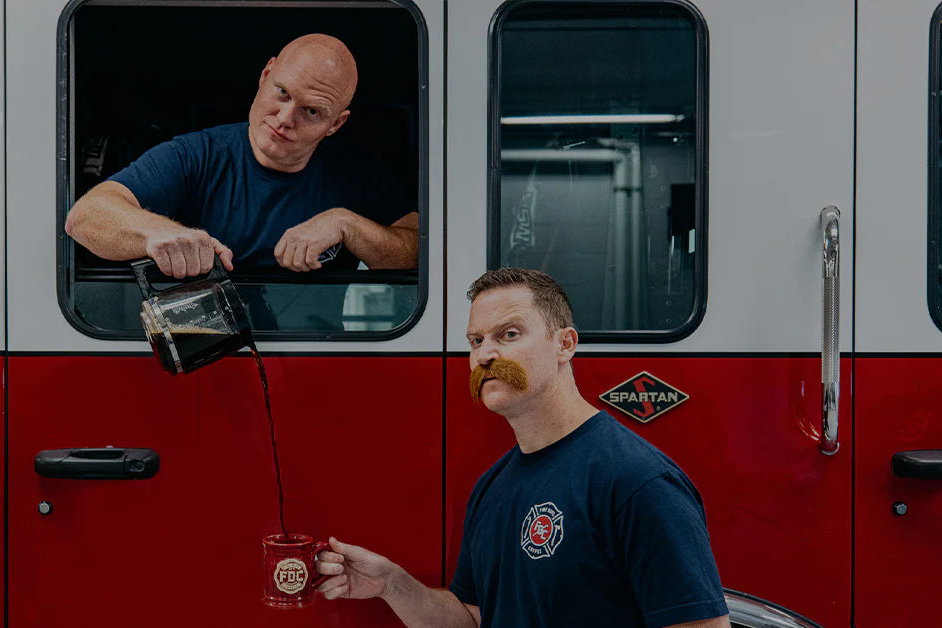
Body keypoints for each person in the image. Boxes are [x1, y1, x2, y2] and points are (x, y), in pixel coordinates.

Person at [315, 268, 730, 628]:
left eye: (508, 334)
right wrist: (391, 583)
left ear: (565, 344)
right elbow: (472, 620)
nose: (485, 355)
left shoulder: (637, 481)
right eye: (475, 341)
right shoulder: (492, 488)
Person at [64, 33, 417, 282]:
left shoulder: (357, 175)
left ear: (335, 124)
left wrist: (346, 224)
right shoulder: (195, 155)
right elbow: (85, 217)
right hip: (203, 360)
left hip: (320, 358)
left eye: (311, 112)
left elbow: (416, 250)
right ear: (265, 75)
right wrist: (160, 233)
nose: (284, 118)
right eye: (282, 92)